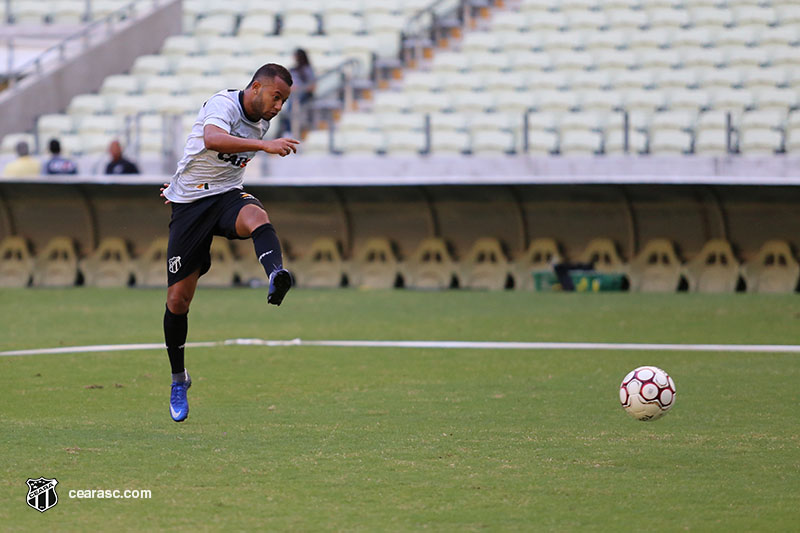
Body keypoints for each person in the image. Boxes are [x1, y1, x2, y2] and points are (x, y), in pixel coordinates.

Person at [159, 63, 300, 423]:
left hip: (224, 196)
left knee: (257, 217)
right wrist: (264, 145)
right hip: (190, 206)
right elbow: (211, 140)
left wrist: (262, 141)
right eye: (276, 97)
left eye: (283, 100)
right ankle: (179, 379)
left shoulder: (261, 123)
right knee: (178, 301)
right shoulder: (223, 104)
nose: (278, 106)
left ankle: (276, 274)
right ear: (255, 88)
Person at [279, 48, 315, 136]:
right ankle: (288, 130)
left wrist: (300, 89)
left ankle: (291, 131)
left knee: (293, 110)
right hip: (292, 96)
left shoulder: (307, 69)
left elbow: (312, 85)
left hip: (303, 96)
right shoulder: (293, 70)